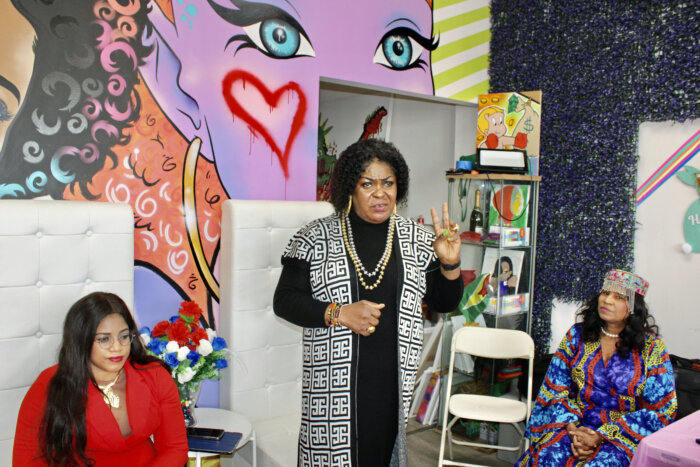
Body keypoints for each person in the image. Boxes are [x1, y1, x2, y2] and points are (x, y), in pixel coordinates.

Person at [273, 138, 464, 466]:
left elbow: (444, 302)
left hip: (392, 385)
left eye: (388, 183)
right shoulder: (315, 237)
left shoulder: (417, 239)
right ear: (350, 187)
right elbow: (285, 301)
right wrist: (339, 313)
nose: (381, 193)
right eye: (368, 184)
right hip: (331, 389)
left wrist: (449, 264)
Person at [517, 270, 677, 466]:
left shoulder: (652, 348)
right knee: (547, 456)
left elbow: (663, 409)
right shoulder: (577, 336)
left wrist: (601, 436)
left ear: (634, 307)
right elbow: (554, 388)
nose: (607, 300)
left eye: (619, 297)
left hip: (622, 436)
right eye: (605, 293)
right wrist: (573, 429)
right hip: (575, 424)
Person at [13, 292, 188, 466]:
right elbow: (27, 458)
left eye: (124, 336)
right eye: (104, 339)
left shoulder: (155, 376)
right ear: (81, 340)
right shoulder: (50, 382)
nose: (117, 348)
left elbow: (174, 448)